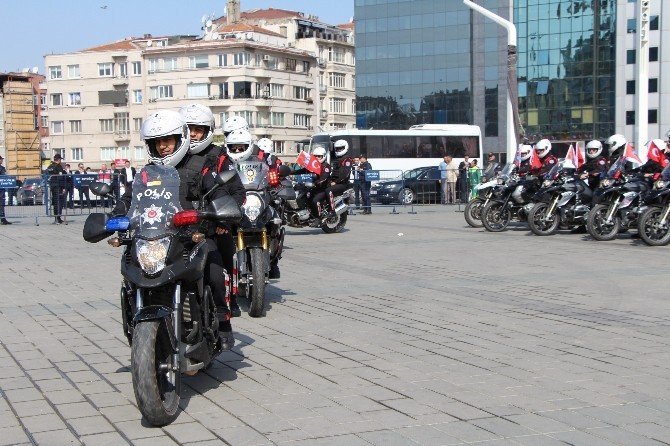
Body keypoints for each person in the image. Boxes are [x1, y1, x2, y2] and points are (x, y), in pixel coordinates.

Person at [113, 109, 245, 350]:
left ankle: (223, 322)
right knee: (130, 270)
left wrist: (218, 216)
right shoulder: (146, 173)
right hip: (157, 237)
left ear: (180, 139)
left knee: (215, 272)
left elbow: (218, 192)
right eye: (157, 143)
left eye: (167, 141)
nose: (162, 147)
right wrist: (116, 214)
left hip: (193, 236)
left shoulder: (201, 165)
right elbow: (129, 198)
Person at [180, 104, 246, 312]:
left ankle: (226, 305)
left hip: (212, 221)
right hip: (178, 224)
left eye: (198, 129)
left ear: (208, 130)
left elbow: (237, 191)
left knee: (220, 264)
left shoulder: (219, 157)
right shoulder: (172, 156)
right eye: (189, 129)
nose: (193, 134)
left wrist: (223, 219)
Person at [324, 140, 353, 211]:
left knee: (328, 191)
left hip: (342, 183)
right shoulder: (337, 159)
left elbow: (345, 174)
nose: (338, 150)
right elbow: (334, 172)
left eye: (341, 148)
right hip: (334, 181)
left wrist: (335, 182)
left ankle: (332, 210)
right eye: (337, 148)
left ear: (345, 147)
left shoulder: (347, 160)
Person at [46, 154, 67, 224]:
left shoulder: (50, 166)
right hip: (58, 186)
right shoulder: (58, 166)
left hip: (52, 186)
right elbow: (61, 177)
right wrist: (63, 187)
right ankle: (58, 218)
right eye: (60, 159)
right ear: (58, 160)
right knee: (59, 202)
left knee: (55, 202)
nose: (60, 161)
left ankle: (56, 218)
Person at [0, 155, 12, 224]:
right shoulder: (1, 168)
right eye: (1, 159)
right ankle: (3, 219)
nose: (2, 160)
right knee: (1, 204)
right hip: (1, 188)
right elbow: (4, 178)